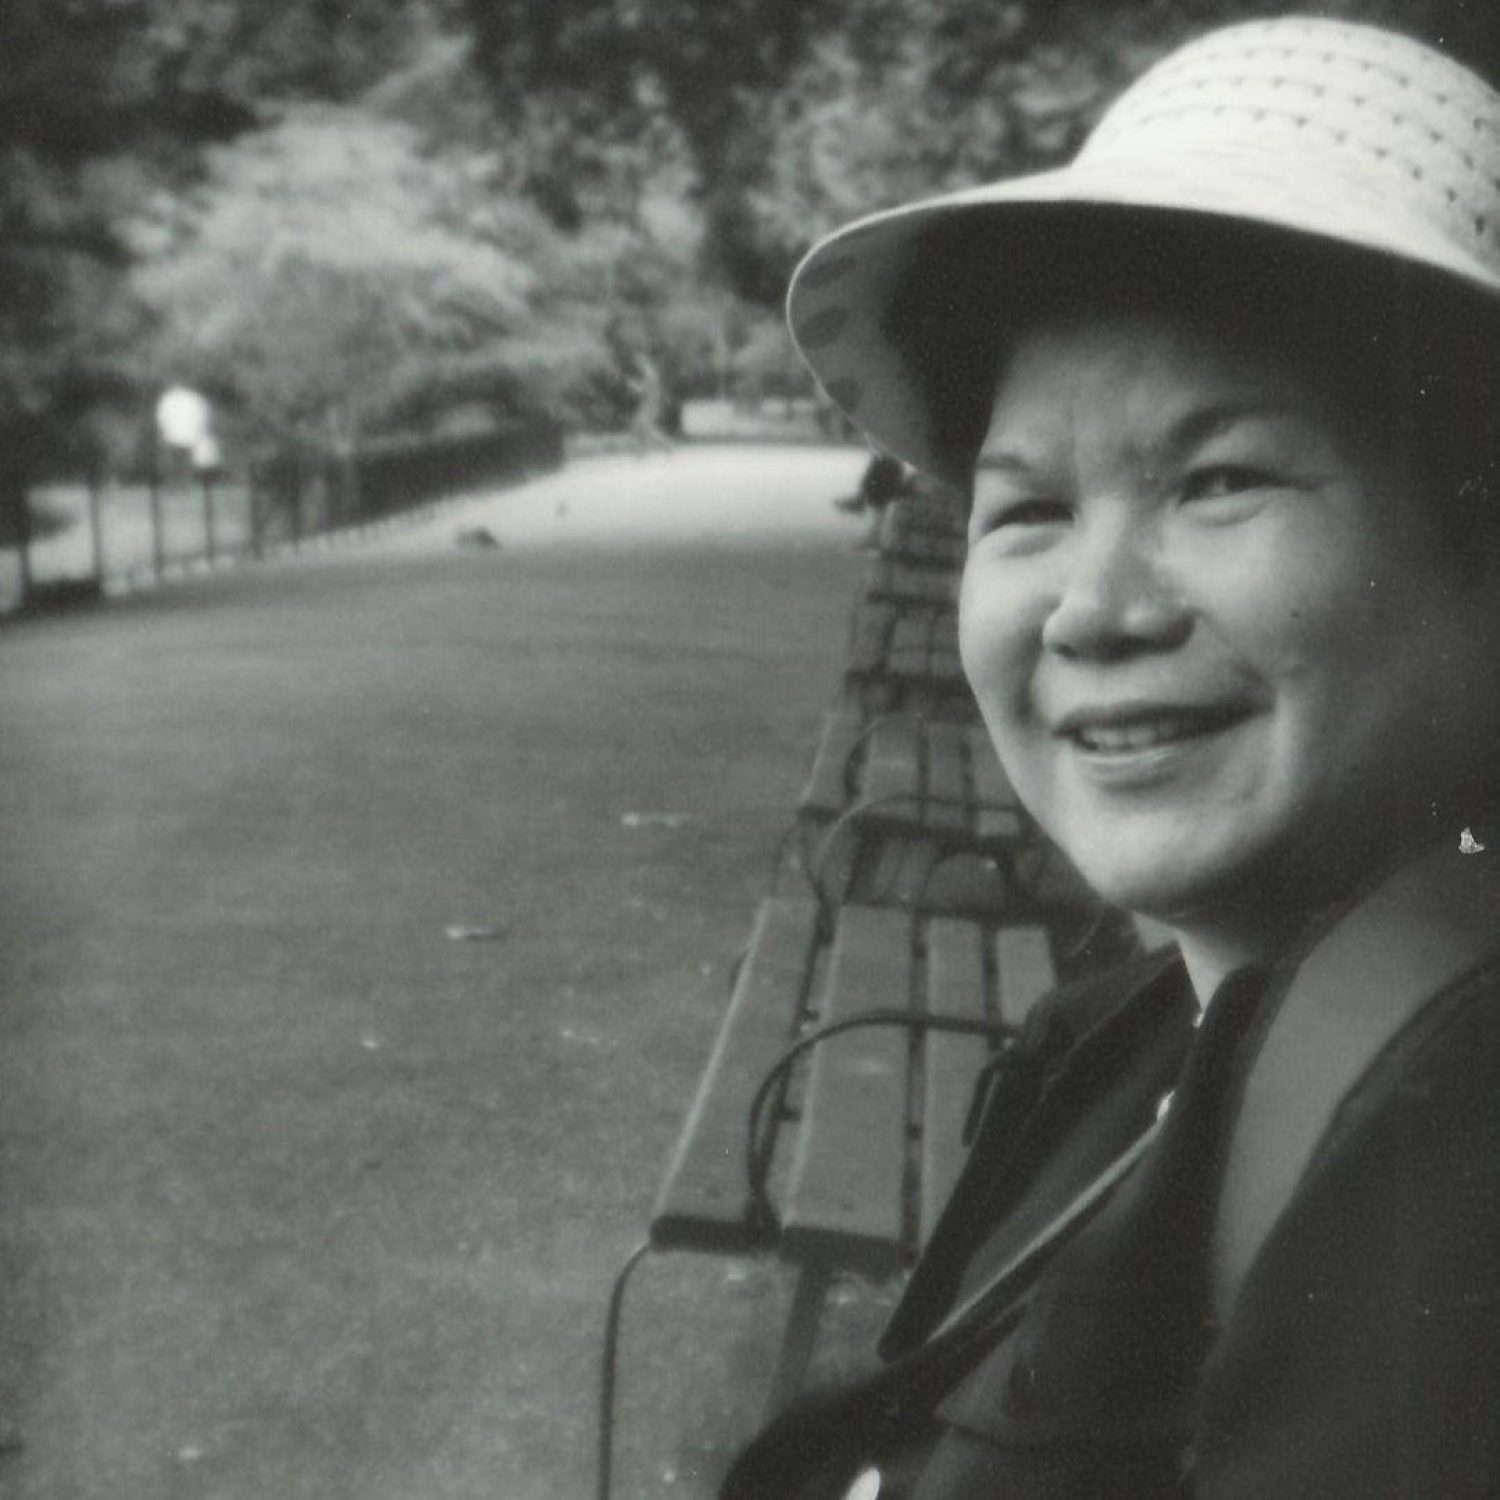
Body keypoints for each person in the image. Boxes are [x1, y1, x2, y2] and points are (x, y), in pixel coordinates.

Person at [726, 16, 1500, 1499]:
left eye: (1220, 482)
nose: (1095, 608)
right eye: (1026, 512)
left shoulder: (1448, 1153)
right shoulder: (1142, 1030)